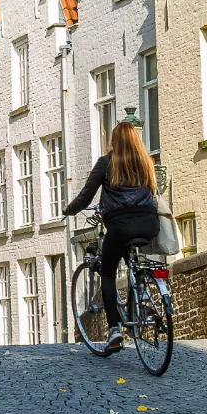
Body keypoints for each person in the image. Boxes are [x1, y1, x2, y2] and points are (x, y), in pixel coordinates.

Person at [61, 122, 158, 351]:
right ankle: (139, 302)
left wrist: (69, 210)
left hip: (120, 226)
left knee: (107, 272)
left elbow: (86, 195)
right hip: (148, 224)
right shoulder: (146, 162)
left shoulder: (107, 163)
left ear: (114, 141)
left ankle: (115, 330)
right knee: (133, 261)